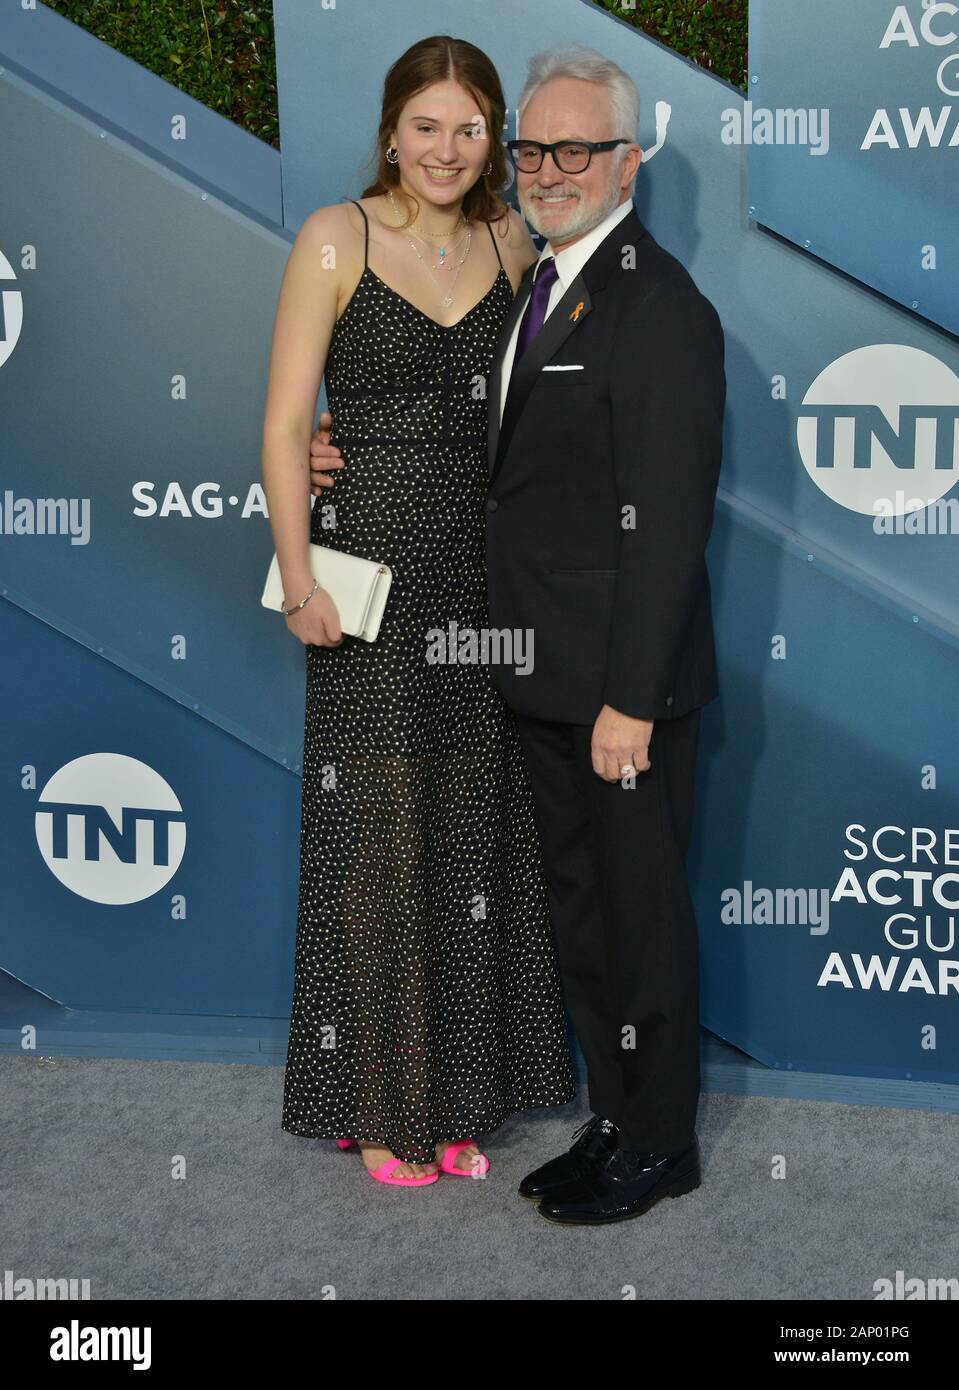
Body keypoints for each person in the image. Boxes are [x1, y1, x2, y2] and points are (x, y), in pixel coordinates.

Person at [310, 44, 726, 1222]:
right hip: (536, 676)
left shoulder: (657, 304)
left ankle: (659, 1143)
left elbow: (666, 526)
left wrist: (629, 701)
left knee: (639, 920)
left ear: (626, 161)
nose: (547, 169)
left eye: (574, 148)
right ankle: (614, 1117)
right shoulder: (538, 282)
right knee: (583, 915)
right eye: (533, 147)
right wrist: (324, 445)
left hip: (616, 692)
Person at [262, 34, 576, 1189]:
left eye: (471, 126)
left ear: (493, 138)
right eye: (428, 124)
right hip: (369, 575)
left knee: (473, 824)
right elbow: (286, 425)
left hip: (484, 572)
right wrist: (299, 580)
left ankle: (459, 1096)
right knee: (378, 832)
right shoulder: (334, 237)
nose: (448, 148)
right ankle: (382, 1107)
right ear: (391, 127)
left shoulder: (510, 238)